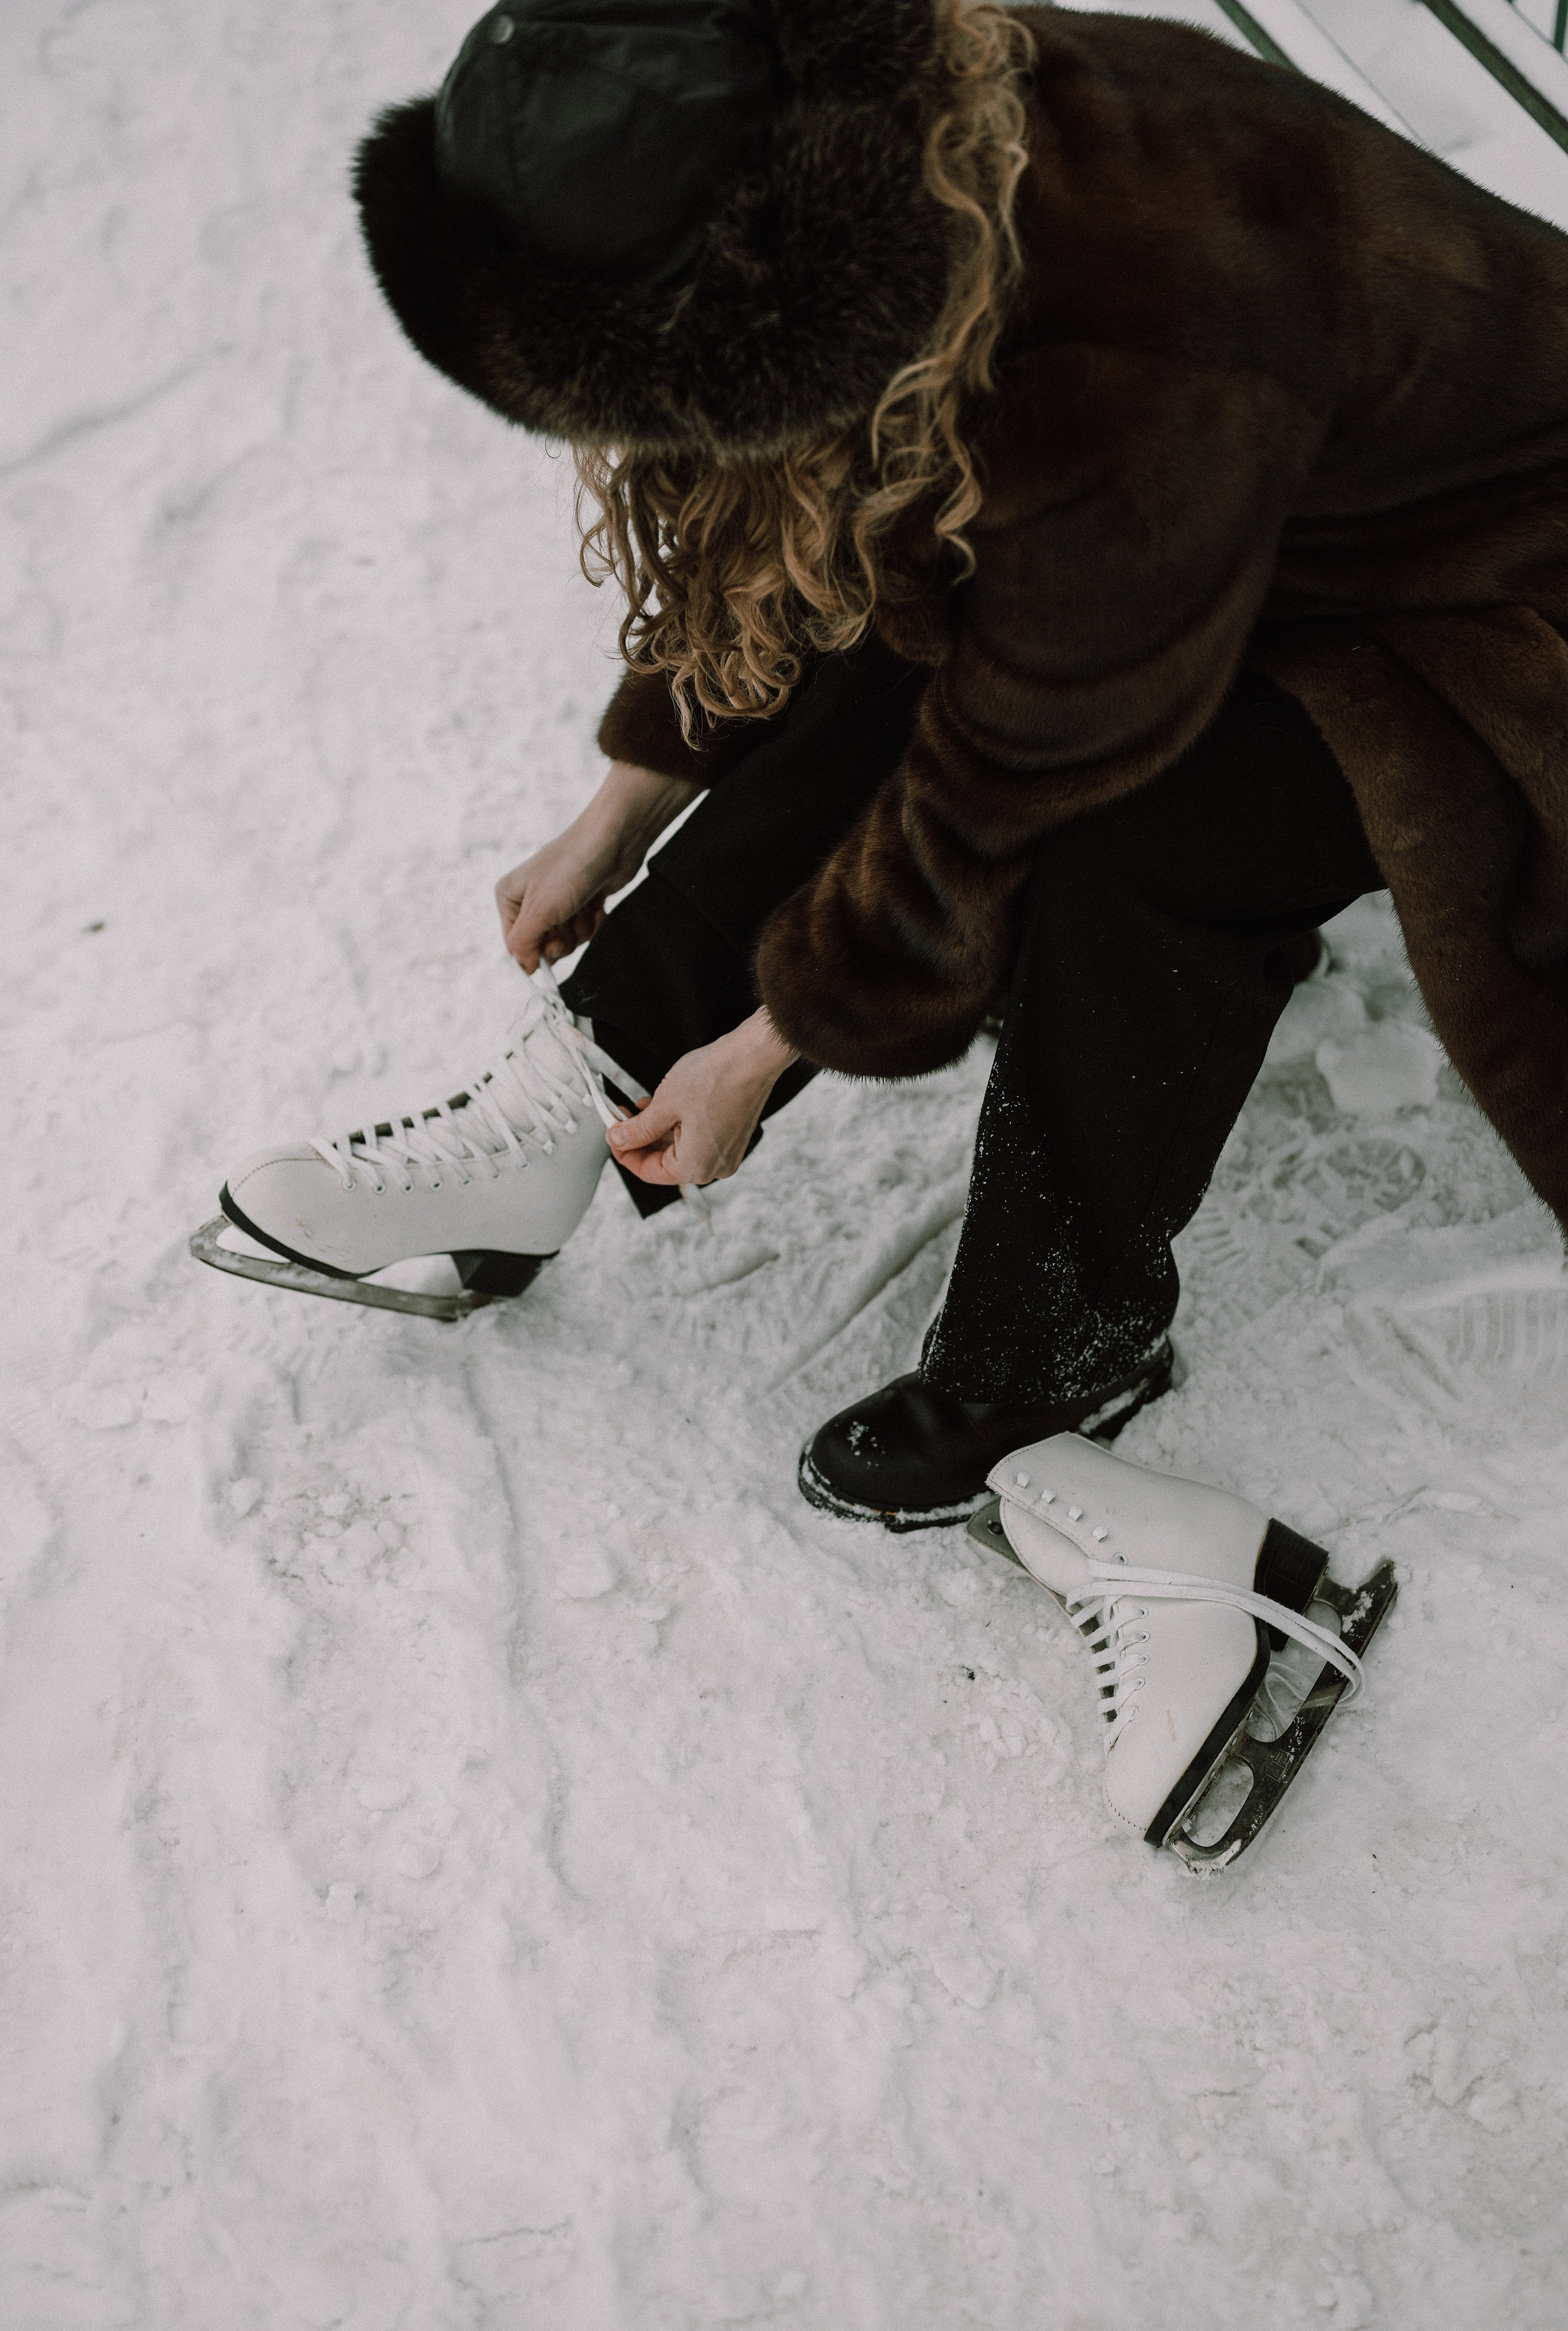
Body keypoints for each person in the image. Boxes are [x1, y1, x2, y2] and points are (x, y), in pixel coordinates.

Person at [211, 0, 1568, 1535]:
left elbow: (1013, 764)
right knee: (891, 610)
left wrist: (773, 1037)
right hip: (1246, 532)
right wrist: (615, 815)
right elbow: (800, 543)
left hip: (1478, 604)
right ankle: (563, 1106)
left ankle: (1045, 1353)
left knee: (1155, 849)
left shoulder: (1131, 332)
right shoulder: (906, 147)